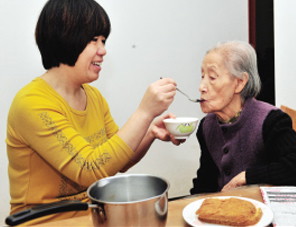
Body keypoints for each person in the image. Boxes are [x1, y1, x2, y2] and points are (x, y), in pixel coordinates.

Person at [6, 0, 181, 224]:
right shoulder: (31, 103)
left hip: (90, 216)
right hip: (45, 220)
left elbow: (116, 161)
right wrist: (144, 112)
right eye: (93, 40)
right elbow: (91, 169)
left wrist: (150, 132)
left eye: (104, 40)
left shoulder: (93, 97)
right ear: (65, 37)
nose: (103, 50)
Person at [190, 40, 296, 194]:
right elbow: (206, 180)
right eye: (202, 76)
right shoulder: (206, 126)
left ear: (239, 83)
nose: (201, 87)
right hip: (224, 209)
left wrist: (247, 176)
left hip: (261, 210)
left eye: (212, 77)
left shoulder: (270, 121)